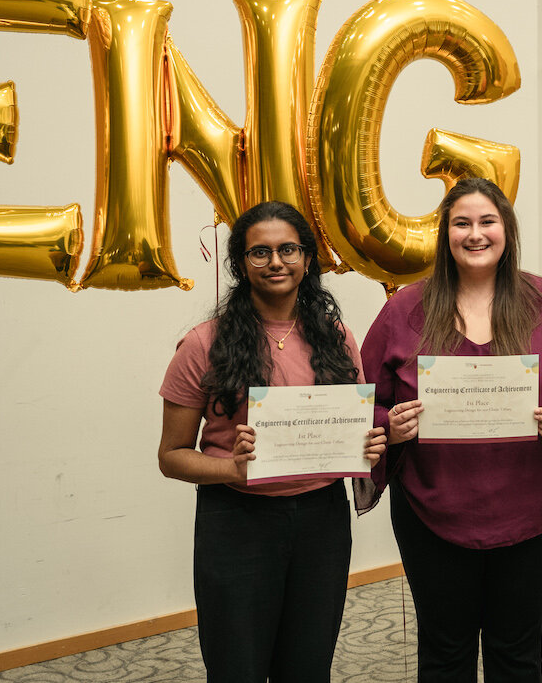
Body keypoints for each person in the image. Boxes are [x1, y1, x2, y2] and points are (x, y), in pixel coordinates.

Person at [363, 177, 542, 682]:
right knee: (444, 649)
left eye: (487, 222)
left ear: (506, 230)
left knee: (516, 651)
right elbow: (362, 402)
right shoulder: (405, 308)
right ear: (445, 234)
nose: (475, 234)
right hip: (430, 509)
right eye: (462, 223)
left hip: (531, 510)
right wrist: (391, 425)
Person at [157, 200, 387, 683]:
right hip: (236, 521)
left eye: (288, 249)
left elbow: (354, 424)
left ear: (307, 258)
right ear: (240, 263)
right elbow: (171, 456)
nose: (276, 262)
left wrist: (364, 445)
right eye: (259, 253)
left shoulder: (337, 338)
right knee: (236, 666)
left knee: (307, 665)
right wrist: (230, 469)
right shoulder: (204, 343)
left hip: (321, 520)